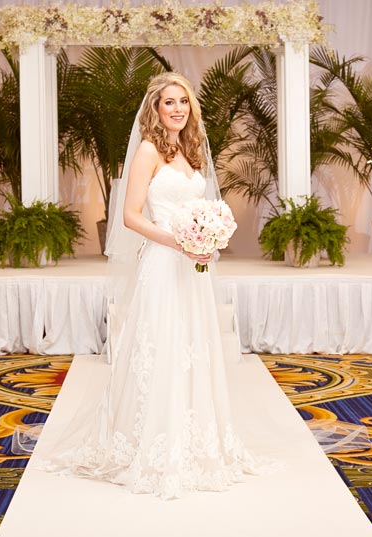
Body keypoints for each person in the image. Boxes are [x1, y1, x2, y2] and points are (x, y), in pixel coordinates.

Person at [35, 72, 259, 499]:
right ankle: (154, 444)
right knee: (164, 347)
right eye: (168, 103)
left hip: (194, 266)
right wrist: (181, 240)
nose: (177, 109)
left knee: (195, 347)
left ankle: (197, 441)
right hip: (162, 263)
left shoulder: (193, 152)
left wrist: (209, 236)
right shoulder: (148, 151)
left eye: (183, 102)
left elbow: (202, 206)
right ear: (155, 110)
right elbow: (131, 216)